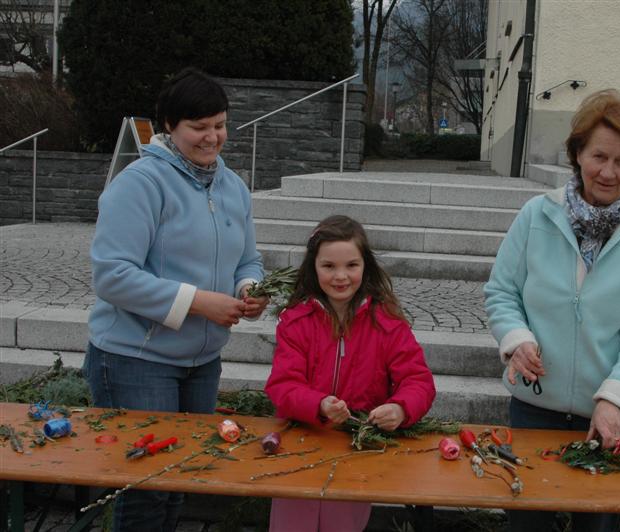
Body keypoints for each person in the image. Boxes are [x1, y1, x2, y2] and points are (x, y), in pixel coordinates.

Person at [83, 67, 268, 531]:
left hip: (201, 361)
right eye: (199, 127)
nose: (213, 137)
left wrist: (248, 290)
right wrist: (200, 302)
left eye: (220, 125)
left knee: (183, 479)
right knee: (146, 493)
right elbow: (112, 275)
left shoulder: (233, 186)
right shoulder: (139, 183)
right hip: (135, 358)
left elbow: (248, 260)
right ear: (169, 125)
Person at [484, 89, 620, 532]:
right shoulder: (536, 215)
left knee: (599, 524)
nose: (608, 172)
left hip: (611, 416)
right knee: (528, 524)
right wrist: (517, 340)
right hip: (536, 407)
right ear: (578, 154)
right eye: (599, 156)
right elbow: (501, 292)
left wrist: (615, 399)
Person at [264, 215, 436, 532]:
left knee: (343, 522)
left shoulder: (387, 321)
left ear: (365, 266)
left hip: (356, 444)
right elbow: (283, 385)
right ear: (314, 267)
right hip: (299, 442)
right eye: (329, 266)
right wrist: (318, 404)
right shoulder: (296, 321)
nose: (341, 276)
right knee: (292, 520)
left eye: (351, 265)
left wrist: (400, 408)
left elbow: (418, 380)